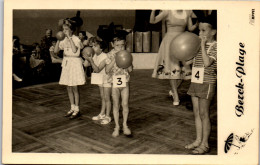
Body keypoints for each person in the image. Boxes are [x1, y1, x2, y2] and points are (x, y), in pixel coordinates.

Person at [184, 13, 217, 154]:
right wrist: (186, 56)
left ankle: (205, 144)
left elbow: (207, 62)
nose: (200, 33)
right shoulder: (199, 45)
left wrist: (202, 45)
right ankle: (198, 140)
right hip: (196, 81)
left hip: (207, 83)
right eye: (199, 30)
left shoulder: (216, 46)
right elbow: (189, 61)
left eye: (204, 30)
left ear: (213, 32)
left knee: (204, 113)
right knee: (196, 113)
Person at [150, 10, 198, 105]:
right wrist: (153, 10)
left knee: (184, 70)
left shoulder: (187, 12)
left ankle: (173, 90)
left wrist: (197, 23)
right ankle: (175, 95)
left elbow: (190, 28)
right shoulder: (168, 11)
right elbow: (153, 21)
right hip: (169, 43)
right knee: (172, 68)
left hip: (183, 43)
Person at [54, 19, 85, 119]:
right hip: (67, 63)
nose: (64, 31)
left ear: (71, 30)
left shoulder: (76, 39)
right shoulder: (63, 40)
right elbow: (55, 51)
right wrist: (59, 40)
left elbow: (75, 50)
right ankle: (72, 107)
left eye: (66, 29)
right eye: (63, 29)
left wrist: (69, 38)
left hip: (75, 63)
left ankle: (77, 109)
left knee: (75, 87)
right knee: (68, 87)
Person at [105, 32, 133, 137]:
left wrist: (126, 61)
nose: (120, 48)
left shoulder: (127, 53)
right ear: (112, 45)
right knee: (116, 104)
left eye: (122, 45)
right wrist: (115, 59)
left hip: (125, 82)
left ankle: (125, 125)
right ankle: (117, 126)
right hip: (114, 83)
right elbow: (107, 70)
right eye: (117, 45)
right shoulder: (109, 55)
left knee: (125, 104)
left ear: (125, 44)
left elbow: (130, 69)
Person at [83, 39, 112, 124]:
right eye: (92, 46)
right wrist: (87, 58)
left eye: (95, 46)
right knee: (102, 97)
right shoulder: (94, 55)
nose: (93, 47)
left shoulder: (105, 56)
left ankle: (108, 116)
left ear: (101, 48)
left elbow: (97, 69)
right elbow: (85, 65)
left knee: (107, 98)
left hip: (107, 78)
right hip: (100, 78)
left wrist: (91, 60)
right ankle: (102, 114)